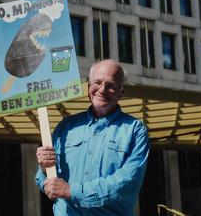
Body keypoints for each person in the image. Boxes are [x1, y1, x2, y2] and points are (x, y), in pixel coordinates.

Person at [35, 59, 150, 215]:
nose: (102, 90)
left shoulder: (135, 131)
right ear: (88, 86)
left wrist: (71, 191)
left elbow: (127, 182)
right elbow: (44, 181)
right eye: (97, 82)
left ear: (120, 92)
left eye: (110, 86)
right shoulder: (66, 127)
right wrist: (45, 169)